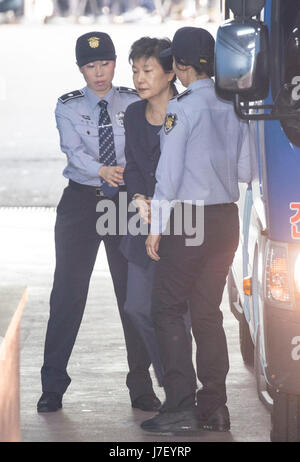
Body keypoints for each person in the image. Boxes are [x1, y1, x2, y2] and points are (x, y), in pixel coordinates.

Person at [37, 31, 161, 413]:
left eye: (105, 63)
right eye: (91, 66)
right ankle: (52, 385)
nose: (99, 72)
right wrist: (102, 169)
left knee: (133, 295)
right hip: (81, 202)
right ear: (80, 69)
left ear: (114, 63)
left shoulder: (132, 100)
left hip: (125, 204)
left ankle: (140, 385)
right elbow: (72, 152)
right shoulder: (68, 106)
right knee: (68, 295)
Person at [141, 27, 252, 433]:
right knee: (207, 314)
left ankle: (180, 407)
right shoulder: (236, 105)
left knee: (167, 309)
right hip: (226, 219)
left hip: (188, 218)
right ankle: (215, 408)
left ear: (180, 65)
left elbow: (167, 176)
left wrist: (156, 227)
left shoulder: (181, 110)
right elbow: (245, 171)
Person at [120, 37, 196, 395]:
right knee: (136, 306)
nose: (139, 78)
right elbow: (132, 164)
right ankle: (171, 380)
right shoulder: (134, 114)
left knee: (178, 312)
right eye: (135, 70)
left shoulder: (186, 110)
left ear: (170, 73)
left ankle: (180, 391)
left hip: (181, 222)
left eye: (147, 70)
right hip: (142, 221)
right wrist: (137, 196)